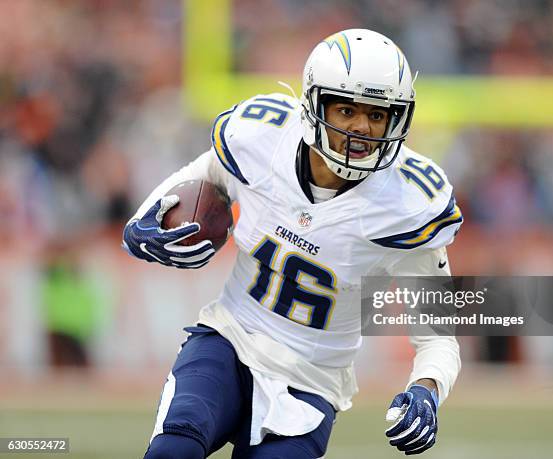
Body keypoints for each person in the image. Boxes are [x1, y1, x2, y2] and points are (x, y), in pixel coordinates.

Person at [123, 28, 463, 458]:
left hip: (311, 380)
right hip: (229, 338)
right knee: (172, 451)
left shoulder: (408, 205)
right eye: (346, 110)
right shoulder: (264, 140)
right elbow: (207, 171)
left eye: (377, 115)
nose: (362, 127)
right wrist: (142, 222)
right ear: (315, 106)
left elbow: (438, 337)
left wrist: (426, 389)